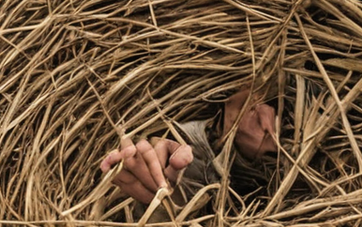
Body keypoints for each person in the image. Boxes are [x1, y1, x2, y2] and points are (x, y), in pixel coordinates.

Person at [98, 88, 279, 213]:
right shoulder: (187, 135)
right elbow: (166, 156)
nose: (265, 114)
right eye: (256, 96)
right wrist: (170, 199)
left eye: (277, 111)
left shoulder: (271, 179)